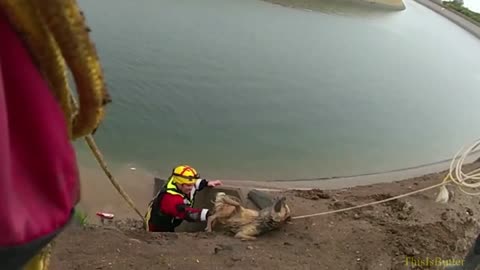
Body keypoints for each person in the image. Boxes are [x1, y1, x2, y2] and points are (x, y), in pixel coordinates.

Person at [145, 165, 222, 232]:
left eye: (192, 184)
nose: (191, 188)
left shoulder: (180, 182)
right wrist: (208, 214)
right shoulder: (170, 198)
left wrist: (206, 183)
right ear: (179, 183)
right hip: (158, 227)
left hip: (172, 222)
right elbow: (188, 214)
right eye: (188, 185)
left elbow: (195, 183)